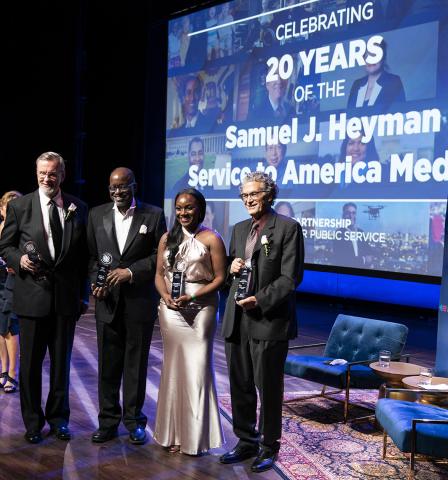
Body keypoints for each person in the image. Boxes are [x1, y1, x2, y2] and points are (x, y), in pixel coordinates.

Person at [0, 152, 89, 444]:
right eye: (42, 173)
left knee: (62, 364)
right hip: (31, 297)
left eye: (52, 173)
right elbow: (6, 245)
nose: (46, 178)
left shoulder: (79, 207)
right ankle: (33, 422)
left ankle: (59, 420)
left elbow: (85, 257)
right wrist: (20, 259)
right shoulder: (20, 206)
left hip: (65, 300)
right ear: (36, 173)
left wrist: (84, 295)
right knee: (30, 367)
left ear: (62, 175)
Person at [219, 171, 304, 472]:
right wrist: (231, 268)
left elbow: (290, 277)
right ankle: (245, 440)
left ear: (269, 194)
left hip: (268, 320)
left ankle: (269, 446)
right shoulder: (239, 229)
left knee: (267, 387)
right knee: (240, 384)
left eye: (254, 194)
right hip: (236, 318)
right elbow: (231, 270)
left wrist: (261, 299)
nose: (249, 200)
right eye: (244, 195)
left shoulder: (288, 228)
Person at [87, 167, 166, 445]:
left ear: (134, 186)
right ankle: (108, 421)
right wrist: (95, 281)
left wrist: (130, 273)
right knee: (107, 365)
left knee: (136, 365)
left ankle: (134, 422)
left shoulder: (154, 214)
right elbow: (91, 256)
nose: (118, 192)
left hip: (138, 302)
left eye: (123, 187)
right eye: (113, 188)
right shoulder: (96, 214)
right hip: (107, 302)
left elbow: (160, 255)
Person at [154, 188, 226, 455]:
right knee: (173, 371)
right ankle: (172, 434)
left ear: (200, 209)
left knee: (197, 371)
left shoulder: (212, 238)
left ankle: (195, 439)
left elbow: (220, 278)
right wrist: (166, 296)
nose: (183, 213)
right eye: (180, 208)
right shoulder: (166, 238)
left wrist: (193, 294)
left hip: (201, 309)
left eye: (189, 208)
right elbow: (159, 276)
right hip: (171, 310)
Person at [0, 190, 22, 393]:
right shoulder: (1, 229)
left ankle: (13, 373)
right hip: (1, 283)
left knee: (10, 326)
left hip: (14, 282)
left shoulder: (22, 232)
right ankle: (4, 370)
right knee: (1, 328)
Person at [347, 40, 405, 110]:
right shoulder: (357, 84)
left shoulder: (393, 82)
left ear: (383, 58)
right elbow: (348, 115)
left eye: (374, 55)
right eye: (367, 56)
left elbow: (400, 111)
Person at [332, 202, 374, 269]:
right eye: (348, 213)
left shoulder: (361, 232)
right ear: (343, 216)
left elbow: (369, 252)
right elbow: (343, 261)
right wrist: (364, 260)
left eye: (353, 213)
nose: (351, 216)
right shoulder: (339, 233)